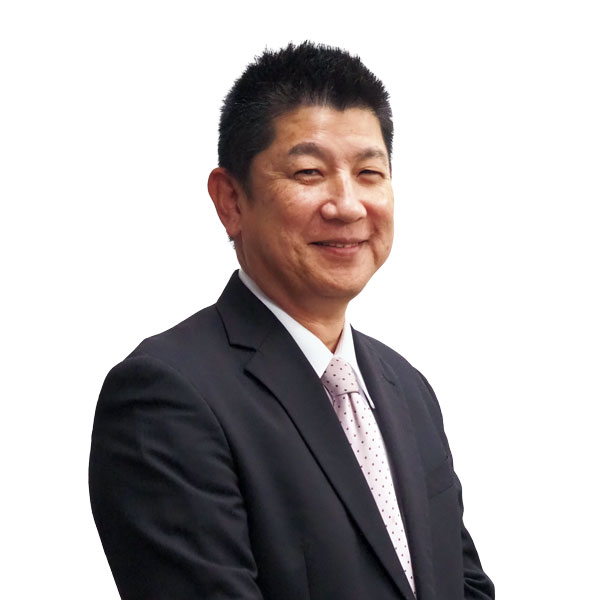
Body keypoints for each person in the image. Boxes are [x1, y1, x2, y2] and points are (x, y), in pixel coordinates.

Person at [89, 42, 495, 600]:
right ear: (231, 201)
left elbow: (465, 586)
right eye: (309, 172)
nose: (347, 204)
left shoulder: (409, 390)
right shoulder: (166, 396)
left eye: (369, 172)